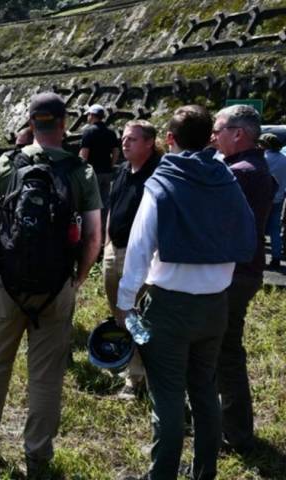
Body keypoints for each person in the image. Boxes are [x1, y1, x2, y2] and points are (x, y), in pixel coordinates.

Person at [0, 92, 102, 475]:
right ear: (63, 123)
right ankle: (37, 455)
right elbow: (93, 238)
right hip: (57, 286)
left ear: (30, 123)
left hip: (8, 284)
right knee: (46, 374)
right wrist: (77, 279)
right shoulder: (80, 171)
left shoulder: (8, 163)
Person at [116, 105, 256, 480]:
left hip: (170, 306)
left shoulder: (162, 184)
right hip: (215, 305)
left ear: (169, 140)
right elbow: (244, 234)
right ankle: (204, 473)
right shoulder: (225, 179)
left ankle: (161, 474)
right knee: (206, 393)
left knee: (168, 397)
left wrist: (125, 303)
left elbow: (139, 248)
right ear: (209, 137)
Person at [213, 105, 275, 454]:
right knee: (225, 349)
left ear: (238, 133)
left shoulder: (240, 173)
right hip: (243, 271)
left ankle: (235, 433)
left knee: (225, 352)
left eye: (219, 129)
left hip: (233, 274)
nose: (214, 135)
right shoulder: (254, 167)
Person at [103, 120, 160, 399]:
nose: (124, 143)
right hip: (114, 250)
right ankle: (129, 365)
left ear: (149, 142)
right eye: (124, 138)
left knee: (139, 315)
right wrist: (106, 245)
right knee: (119, 314)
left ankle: (139, 379)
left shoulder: (158, 172)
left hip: (140, 255)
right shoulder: (123, 170)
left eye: (132, 139)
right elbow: (113, 208)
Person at [79, 104, 120, 234]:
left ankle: (90, 233)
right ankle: (102, 232)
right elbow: (116, 151)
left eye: (88, 115)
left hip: (92, 173)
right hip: (107, 172)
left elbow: (84, 154)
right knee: (105, 203)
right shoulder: (110, 132)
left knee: (90, 203)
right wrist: (111, 165)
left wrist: (80, 170)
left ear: (92, 115)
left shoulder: (88, 132)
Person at [259, 133, 286, 269]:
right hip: (279, 198)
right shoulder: (284, 159)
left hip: (264, 198)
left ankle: (258, 257)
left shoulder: (263, 158)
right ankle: (276, 257)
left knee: (260, 228)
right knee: (275, 229)